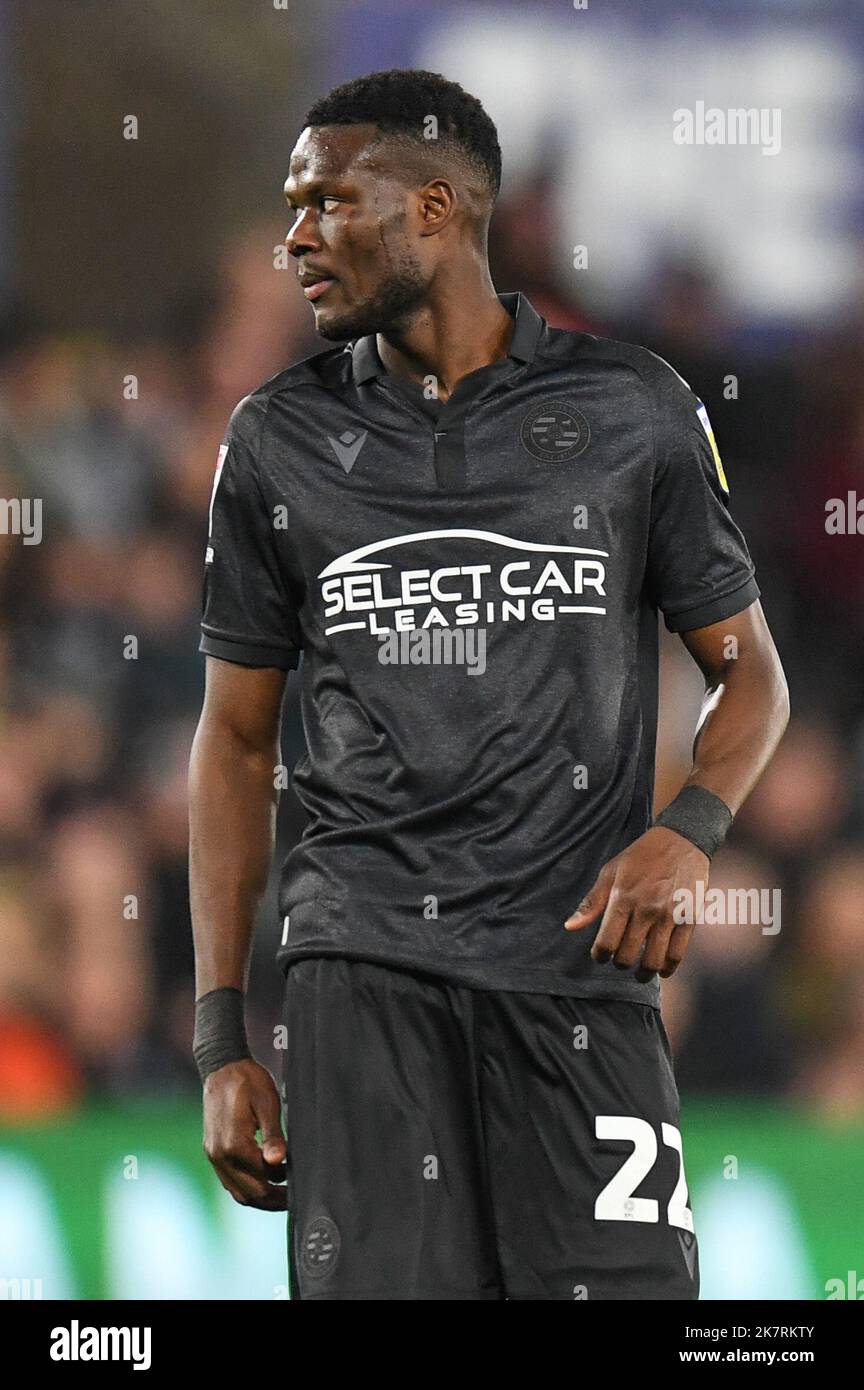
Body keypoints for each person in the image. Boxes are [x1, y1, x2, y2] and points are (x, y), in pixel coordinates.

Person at [188, 68, 789, 1301]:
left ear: (437, 210)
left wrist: (690, 831)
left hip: (580, 979)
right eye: (289, 207)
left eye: (326, 204)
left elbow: (752, 678)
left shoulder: (632, 412)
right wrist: (219, 1035)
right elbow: (237, 742)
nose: (294, 237)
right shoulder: (276, 441)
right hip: (362, 985)